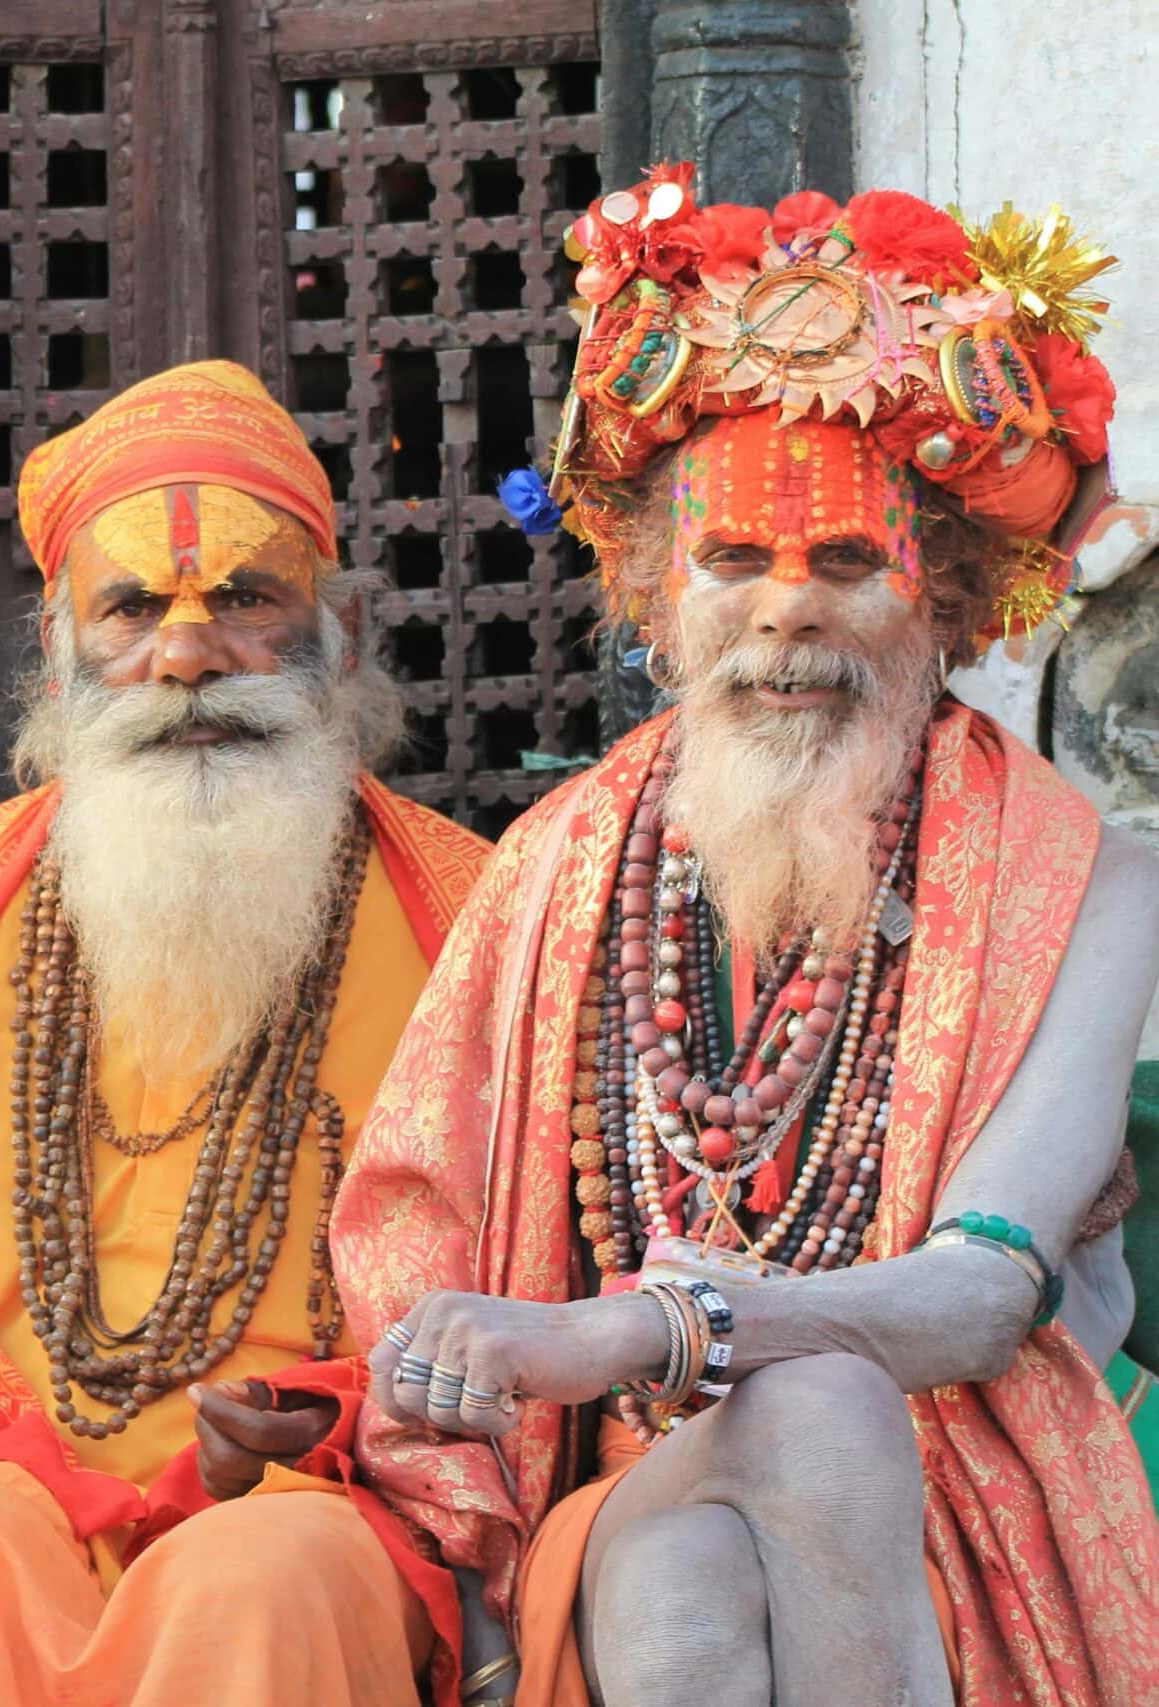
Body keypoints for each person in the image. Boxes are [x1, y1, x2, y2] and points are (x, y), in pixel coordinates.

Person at [333, 169, 1159, 1707]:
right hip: (626, 1488)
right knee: (746, 1478)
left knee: (820, 1420)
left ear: (949, 596)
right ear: (657, 587)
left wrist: (634, 1327)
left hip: (954, 1493)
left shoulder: (1087, 877)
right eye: (737, 563)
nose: (789, 613)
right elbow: (415, 1253)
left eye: (848, 563)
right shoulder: (556, 865)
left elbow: (984, 1289)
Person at [0, 361, 495, 1707]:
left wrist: (355, 1415)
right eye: (132, 607)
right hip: (1, 1481)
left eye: (245, 598)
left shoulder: (481, 917)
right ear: (60, 653)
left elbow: (546, 1278)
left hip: (318, 1501)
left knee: (256, 1583)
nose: (185, 655)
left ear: (342, 635)